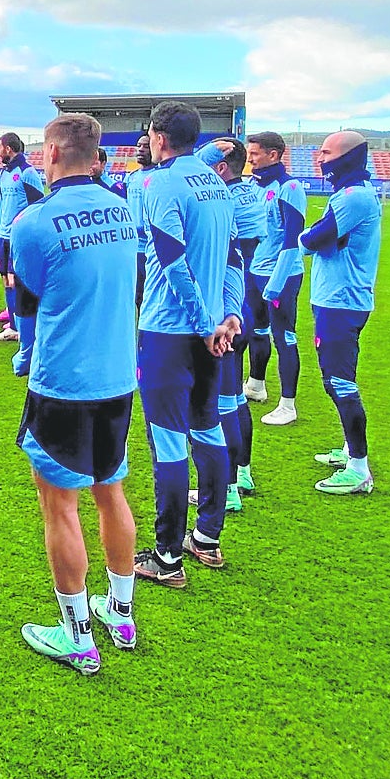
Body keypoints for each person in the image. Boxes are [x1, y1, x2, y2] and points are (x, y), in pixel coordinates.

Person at [9, 114, 140, 676]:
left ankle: (76, 635)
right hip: (117, 378)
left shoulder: (33, 221)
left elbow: (29, 299)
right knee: (111, 490)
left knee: (59, 506)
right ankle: (123, 613)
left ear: (55, 154)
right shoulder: (124, 209)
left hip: (63, 380)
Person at [131, 101, 242, 589]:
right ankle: (207, 538)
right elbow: (236, 254)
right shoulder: (216, 183)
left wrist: (202, 323)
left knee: (171, 441)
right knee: (208, 428)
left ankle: (167, 557)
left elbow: (173, 264)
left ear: (157, 136)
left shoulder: (163, 183)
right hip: (212, 329)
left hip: (172, 331)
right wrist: (231, 314)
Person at [302, 131, 383, 495]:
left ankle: (359, 469)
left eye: (326, 152)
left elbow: (314, 238)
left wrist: (306, 238)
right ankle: (351, 450)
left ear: (348, 157)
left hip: (342, 301)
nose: (320, 158)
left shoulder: (354, 197)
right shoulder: (349, 194)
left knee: (340, 382)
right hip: (335, 299)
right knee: (334, 380)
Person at [193, 138, 266, 513]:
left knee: (221, 404)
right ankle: (244, 472)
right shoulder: (249, 193)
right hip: (245, 299)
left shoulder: (224, 202)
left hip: (228, 306)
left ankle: (231, 487)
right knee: (235, 400)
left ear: (220, 170)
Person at [242, 130, 307, 426]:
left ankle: (288, 404)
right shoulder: (254, 186)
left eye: (254, 153)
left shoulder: (289, 187)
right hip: (254, 271)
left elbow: (293, 240)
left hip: (280, 275)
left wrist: (276, 283)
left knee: (284, 337)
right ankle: (256, 385)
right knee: (256, 330)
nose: (250, 158)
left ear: (273, 155)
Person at [0, 132, 44, 344]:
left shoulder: (27, 172)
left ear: (8, 148)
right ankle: (12, 322)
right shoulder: (4, 173)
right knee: (5, 280)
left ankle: (19, 326)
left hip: (17, 237)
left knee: (14, 280)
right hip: (2, 235)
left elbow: (37, 205)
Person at [126, 134, 156, 307]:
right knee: (137, 295)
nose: (140, 149)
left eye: (145, 146)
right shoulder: (132, 177)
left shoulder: (158, 176)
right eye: (139, 146)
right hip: (134, 247)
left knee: (150, 293)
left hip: (152, 246)